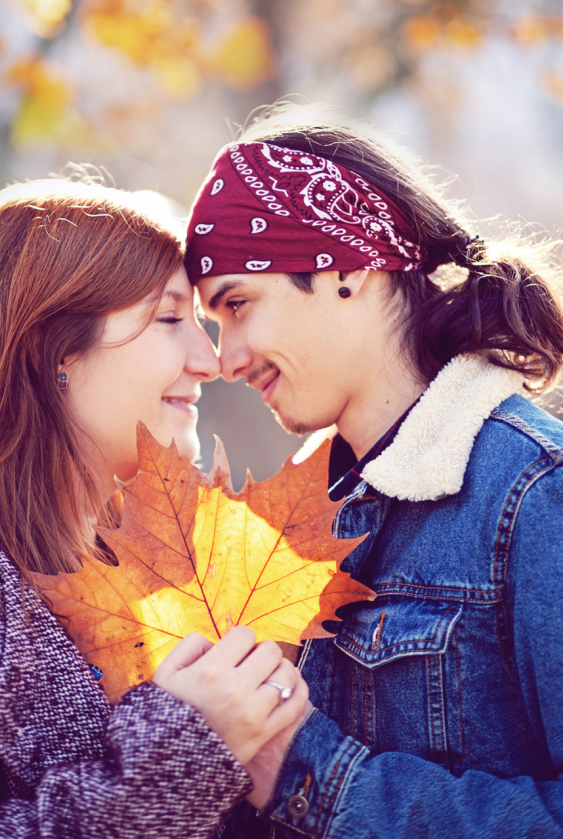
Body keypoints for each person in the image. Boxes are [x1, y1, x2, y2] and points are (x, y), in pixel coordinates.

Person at [0, 176, 308, 839]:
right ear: (53, 351)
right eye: (167, 318)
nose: (210, 361)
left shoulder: (167, 555)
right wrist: (183, 752)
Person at [186, 104, 563, 839]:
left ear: (348, 268)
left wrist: (307, 774)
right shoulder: (295, 511)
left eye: (238, 304)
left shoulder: (531, 494)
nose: (226, 359)